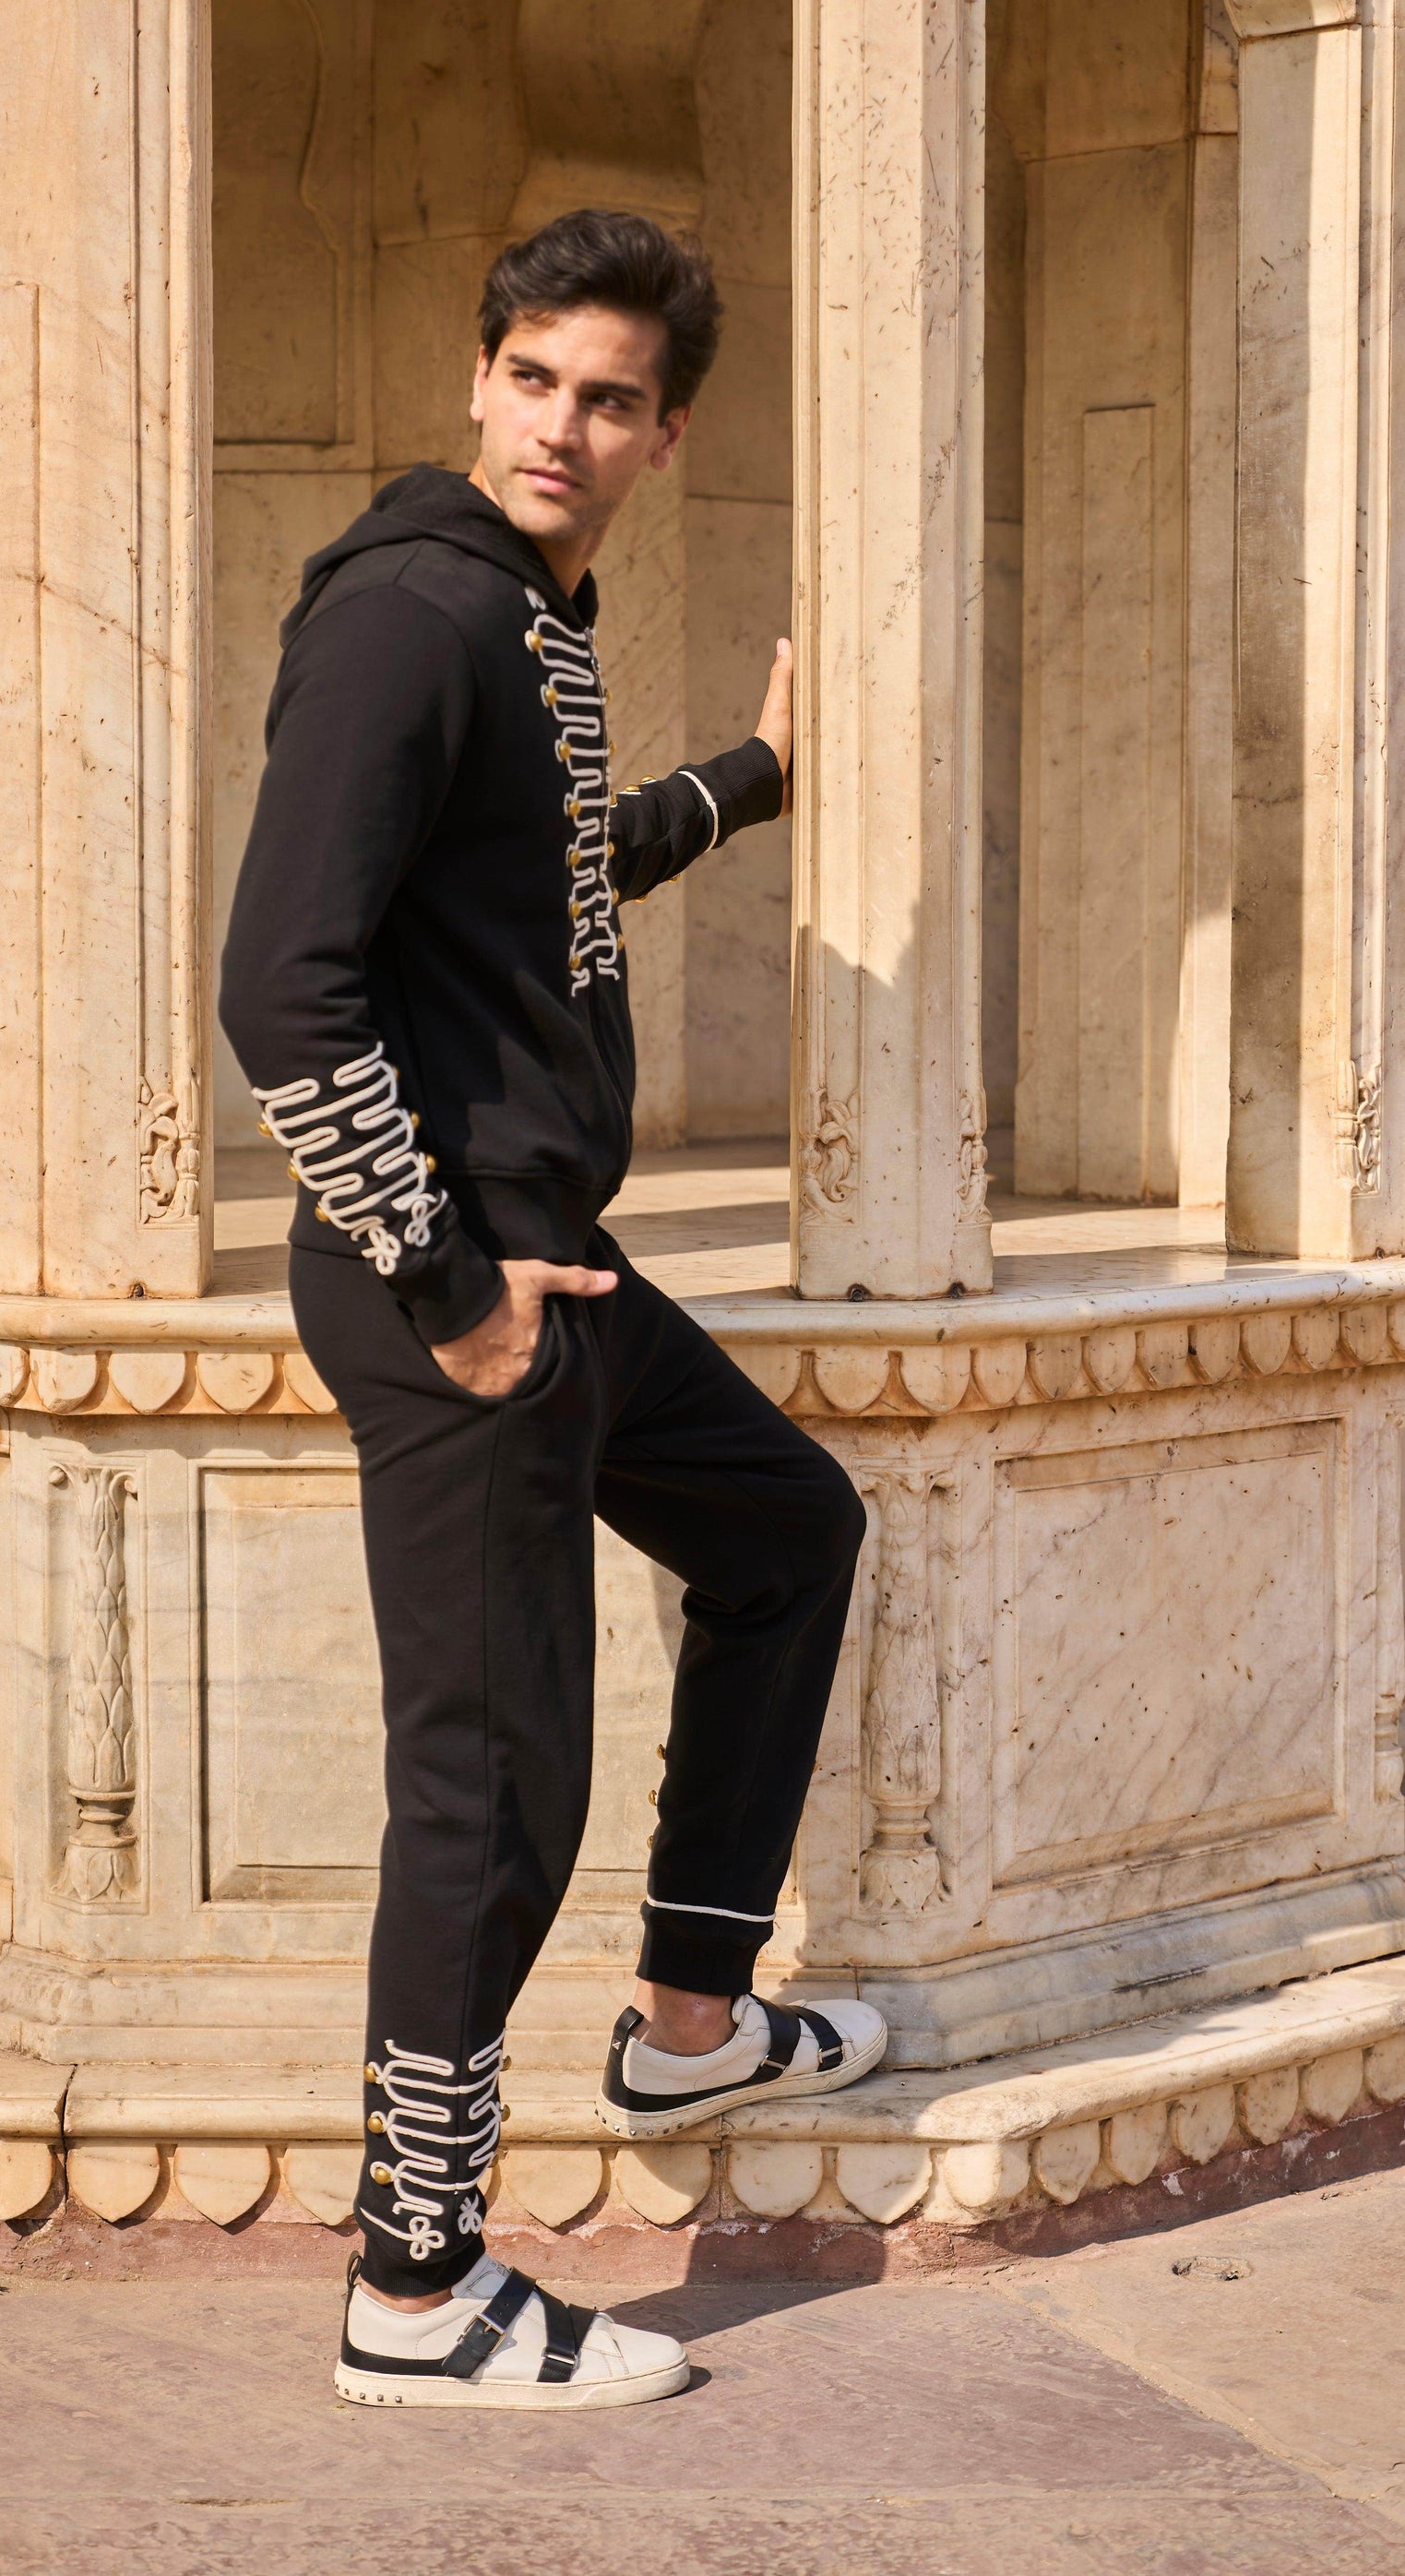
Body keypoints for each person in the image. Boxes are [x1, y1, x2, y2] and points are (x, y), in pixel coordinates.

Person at [220, 209, 882, 2414]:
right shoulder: (415, 614)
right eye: (533, 379)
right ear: (478, 378)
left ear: (662, 434)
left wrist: (746, 780)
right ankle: (415, 2286)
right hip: (455, 1277)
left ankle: (689, 2020)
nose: (561, 427)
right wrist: (443, 1284)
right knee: (489, 1796)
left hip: (544, 1256)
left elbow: (547, 877)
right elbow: (281, 988)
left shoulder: (528, 616)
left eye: (609, 399)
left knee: (784, 1527)